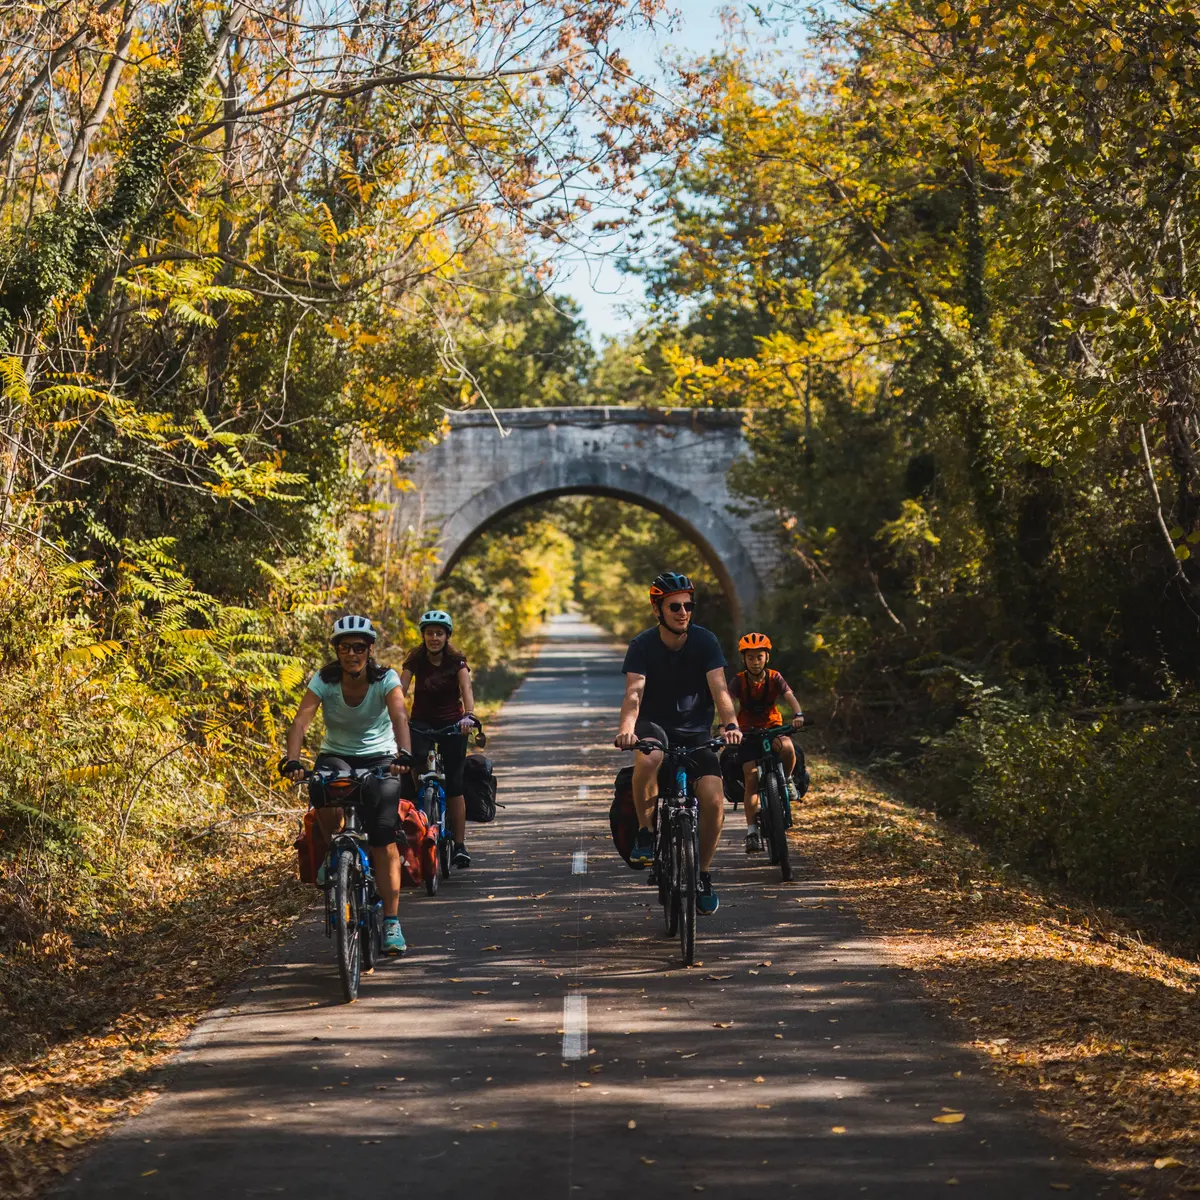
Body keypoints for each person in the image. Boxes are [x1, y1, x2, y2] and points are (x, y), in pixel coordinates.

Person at [281, 614, 412, 955]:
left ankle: (391, 922)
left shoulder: (386, 678)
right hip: (336, 755)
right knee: (322, 795)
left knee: (383, 837)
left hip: (380, 758)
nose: (351, 653)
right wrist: (293, 759)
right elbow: (300, 720)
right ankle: (334, 854)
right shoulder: (325, 679)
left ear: (370, 650)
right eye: (344, 647)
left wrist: (405, 753)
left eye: (358, 647)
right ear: (336, 651)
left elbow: (399, 716)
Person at [614, 572, 742, 915]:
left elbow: (720, 689)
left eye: (688, 605)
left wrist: (730, 723)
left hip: (697, 730)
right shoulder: (642, 645)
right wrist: (627, 729)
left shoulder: (705, 641)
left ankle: (702, 875)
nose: (683, 612)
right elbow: (633, 694)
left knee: (714, 799)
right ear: (658, 609)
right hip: (655, 726)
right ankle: (645, 831)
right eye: (674, 606)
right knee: (648, 758)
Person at [400, 609, 477, 869]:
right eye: (429, 633)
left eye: (439, 633)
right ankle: (419, 803)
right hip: (421, 720)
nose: (434, 638)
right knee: (415, 761)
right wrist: (395, 715)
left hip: (453, 722)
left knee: (455, 784)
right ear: (423, 635)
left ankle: (460, 845)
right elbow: (400, 690)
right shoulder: (415, 659)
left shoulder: (457, 661)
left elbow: (466, 689)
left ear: (447, 636)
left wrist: (469, 716)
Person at [726, 632, 805, 853]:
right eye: (750, 657)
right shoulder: (739, 680)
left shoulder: (774, 677)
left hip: (772, 727)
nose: (755, 661)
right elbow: (728, 702)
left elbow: (789, 695)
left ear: (766, 657)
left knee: (788, 747)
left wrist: (798, 714)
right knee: (751, 778)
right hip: (747, 732)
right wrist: (727, 725)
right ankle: (752, 831)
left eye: (759, 657)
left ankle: (787, 781)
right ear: (744, 659)